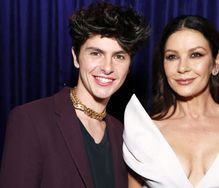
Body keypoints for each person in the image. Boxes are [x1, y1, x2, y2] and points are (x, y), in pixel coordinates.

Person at [0, 2, 149, 188]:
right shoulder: (30, 120)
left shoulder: (122, 133)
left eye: (119, 56)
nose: (108, 67)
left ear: (129, 66)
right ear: (76, 57)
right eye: (96, 53)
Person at [123, 15, 219, 188]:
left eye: (196, 55)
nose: (182, 68)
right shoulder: (144, 133)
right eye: (172, 57)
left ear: (216, 62)